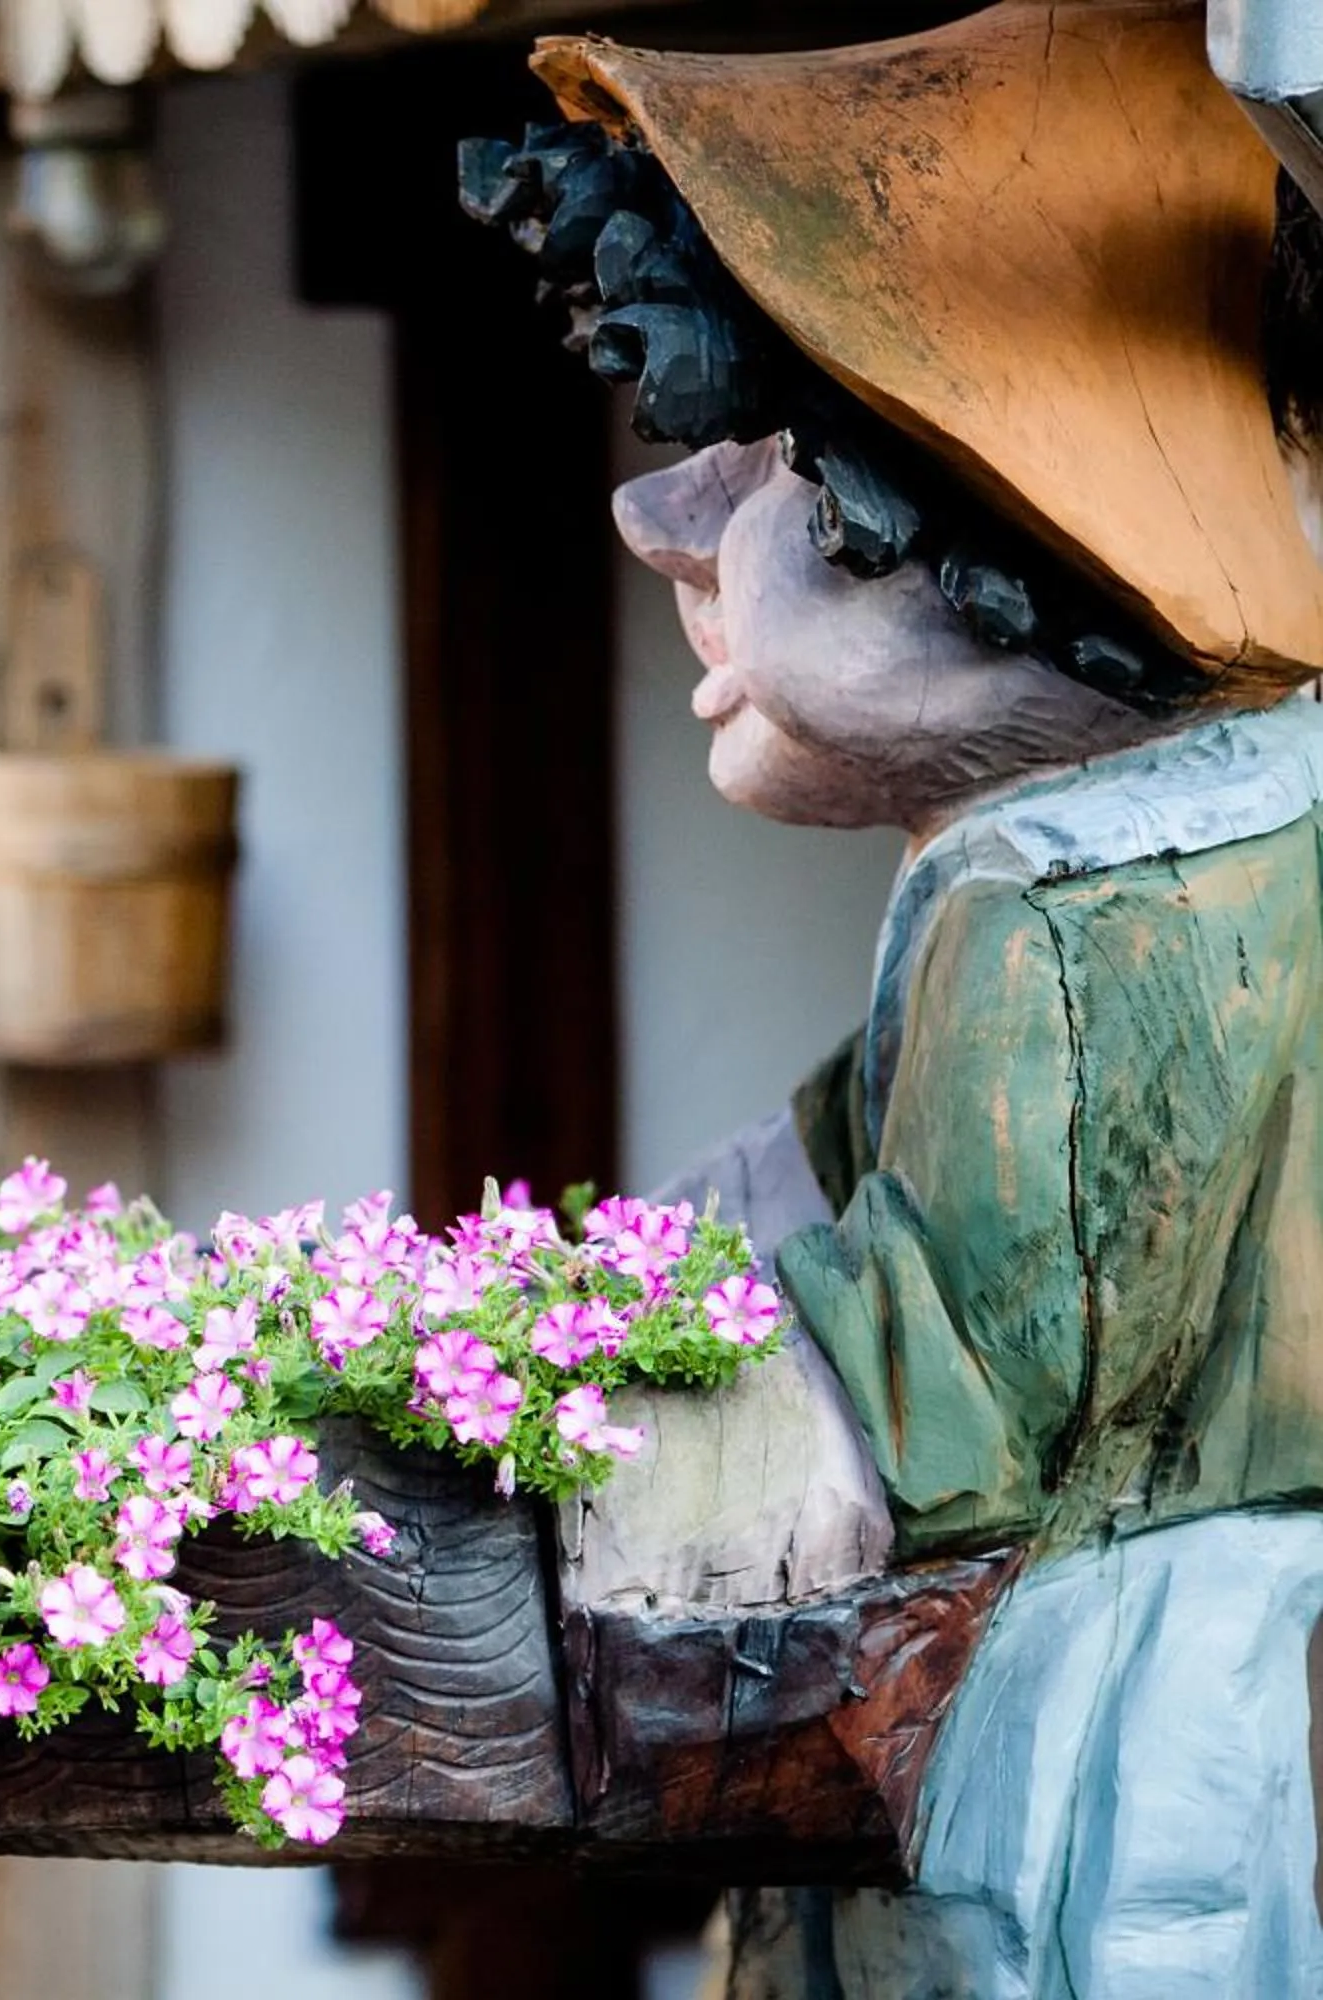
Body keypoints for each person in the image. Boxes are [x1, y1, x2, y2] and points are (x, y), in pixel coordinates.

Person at [478, 5, 1323, 1993]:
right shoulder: (1174, 849)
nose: (665, 520)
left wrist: (522, 1439)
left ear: (975, 508)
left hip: (1136, 1791)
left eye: (764, 457)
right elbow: (828, 1184)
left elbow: (908, 1427)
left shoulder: (1066, 914)